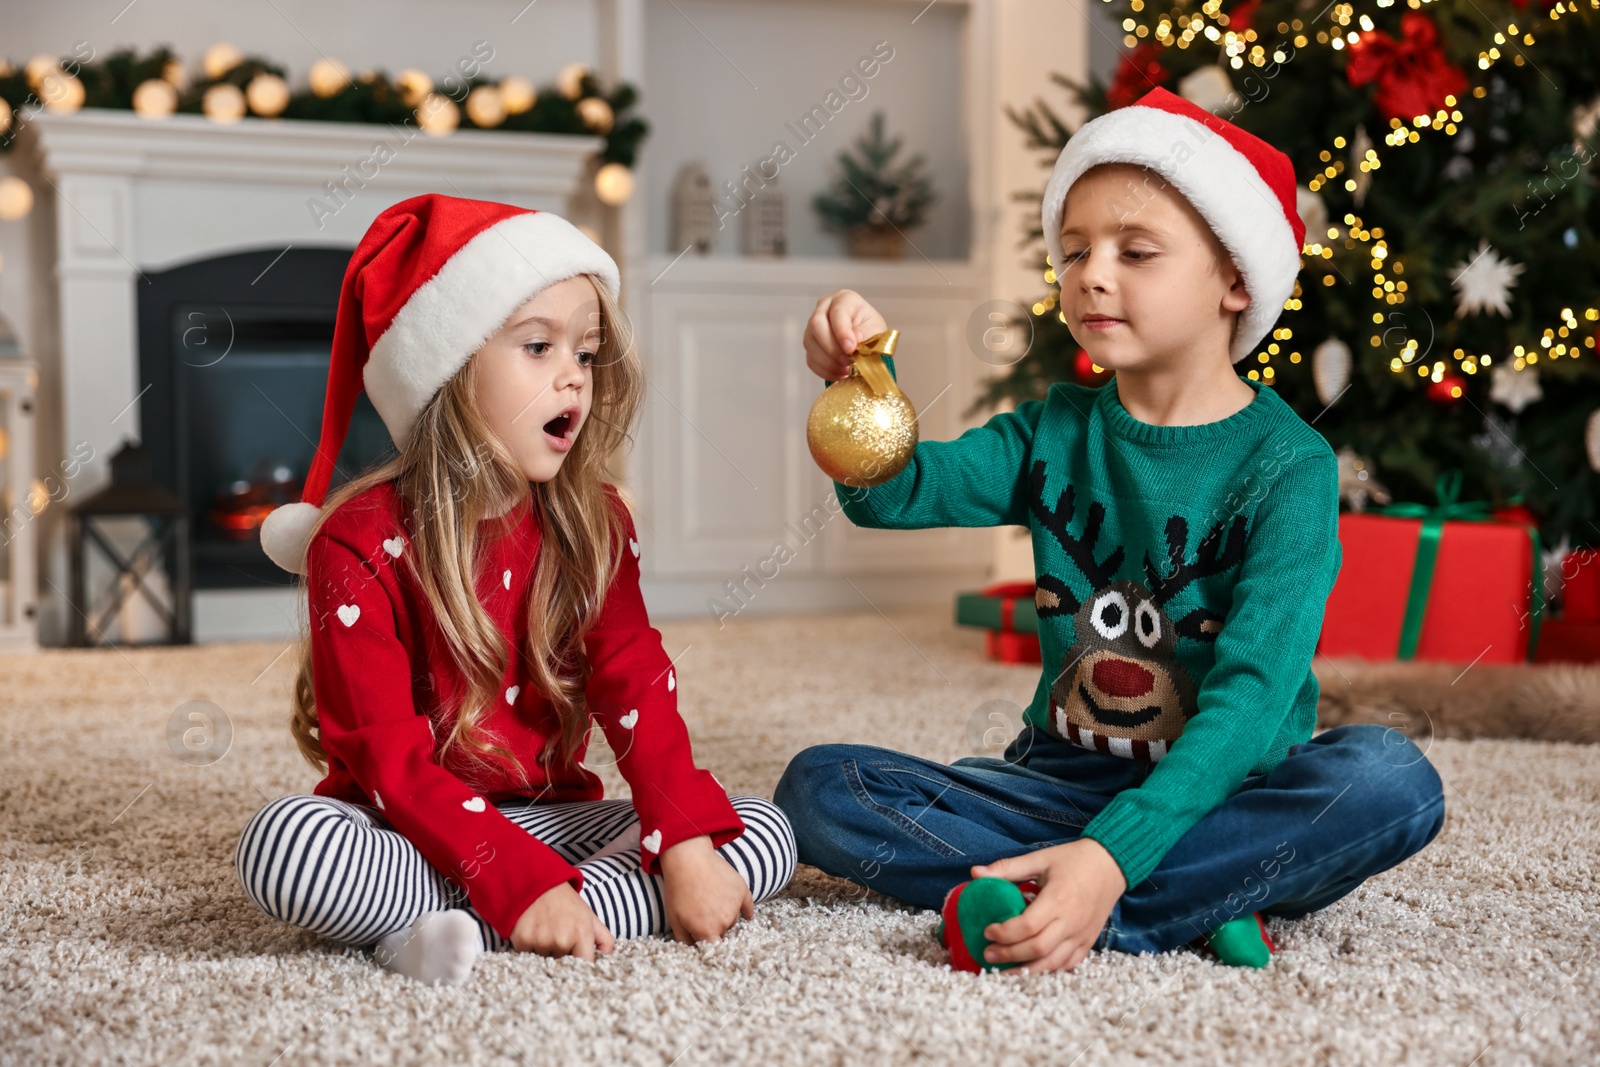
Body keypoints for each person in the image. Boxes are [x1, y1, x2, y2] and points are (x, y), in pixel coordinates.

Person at [775, 87, 1443, 973]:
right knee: (820, 788)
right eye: (1077, 248)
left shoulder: (1290, 469)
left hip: (1230, 788)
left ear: (1236, 280)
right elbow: (895, 493)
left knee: (1389, 778)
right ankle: (1199, 896)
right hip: (1059, 783)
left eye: (1136, 252)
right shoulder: (1053, 430)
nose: (1092, 273)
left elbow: (1249, 702)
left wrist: (1113, 856)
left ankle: (1111, 905)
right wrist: (863, 382)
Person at [236, 194, 795, 986]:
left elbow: (635, 680)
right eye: (538, 346)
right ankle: (505, 906)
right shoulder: (355, 542)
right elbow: (388, 763)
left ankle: (450, 925)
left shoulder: (595, 521)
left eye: (587, 353)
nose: (574, 375)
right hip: (401, 828)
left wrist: (685, 844)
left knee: (762, 831)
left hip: (552, 818)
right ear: (450, 368)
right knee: (289, 845)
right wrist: (514, 880)